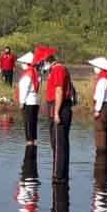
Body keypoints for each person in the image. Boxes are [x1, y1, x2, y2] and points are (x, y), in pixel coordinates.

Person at [41, 48, 71, 179]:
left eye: (43, 62)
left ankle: (58, 176)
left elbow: (59, 91)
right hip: (55, 106)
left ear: (47, 61)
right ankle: (60, 173)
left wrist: (57, 113)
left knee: (59, 143)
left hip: (59, 107)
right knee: (57, 142)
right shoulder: (54, 70)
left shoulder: (58, 69)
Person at [89, 56, 107, 155]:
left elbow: (100, 96)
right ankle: (105, 152)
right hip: (106, 106)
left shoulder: (102, 80)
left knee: (100, 131)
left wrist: (97, 110)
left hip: (102, 107)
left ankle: (101, 153)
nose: (94, 68)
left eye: (95, 66)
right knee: (105, 130)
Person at [16, 50, 40, 147]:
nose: (21, 65)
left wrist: (21, 102)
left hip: (28, 102)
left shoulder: (27, 74)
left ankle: (29, 152)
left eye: (22, 63)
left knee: (28, 127)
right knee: (33, 126)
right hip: (35, 101)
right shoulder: (36, 73)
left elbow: (24, 89)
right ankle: (33, 148)